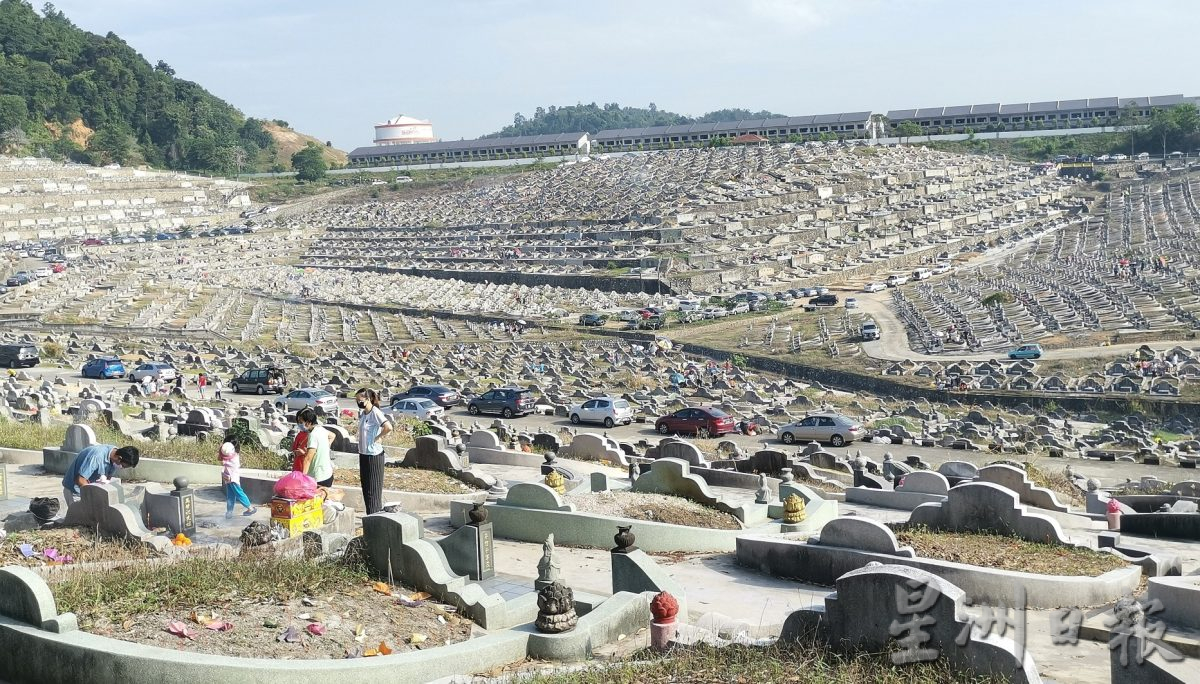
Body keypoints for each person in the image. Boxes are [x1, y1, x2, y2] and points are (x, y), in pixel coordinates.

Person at [62, 444, 140, 507]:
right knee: (81, 519)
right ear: (119, 458)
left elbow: (107, 478)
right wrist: (91, 497)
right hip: (75, 491)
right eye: (123, 466)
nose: (122, 468)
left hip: (90, 487)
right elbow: (80, 480)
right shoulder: (96, 457)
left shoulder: (114, 454)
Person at [355, 388, 393, 515]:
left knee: (373, 491)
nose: (358, 402)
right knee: (366, 489)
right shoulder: (363, 414)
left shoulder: (375, 412)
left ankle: (374, 519)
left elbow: (388, 427)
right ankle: (369, 516)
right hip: (363, 453)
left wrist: (379, 437)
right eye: (356, 400)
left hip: (374, 455)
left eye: (360, 399)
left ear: (368, 399)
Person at [295, 407, 334, 488]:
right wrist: (324, 448)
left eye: (301, 422)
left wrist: (303, 479)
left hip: (318, 478)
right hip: (328, 474)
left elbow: (308, 459)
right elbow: (332, 435)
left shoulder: (313, 435)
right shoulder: (321, 429)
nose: (299, 424)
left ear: (308, 423)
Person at [219, 440, 257, 519]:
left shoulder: (228, 459)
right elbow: (226, 455)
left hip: (230, 479)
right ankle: (246, 509)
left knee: (234, 495)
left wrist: (221, 449)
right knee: (235, 494)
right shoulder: (235, 456)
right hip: (231, 479)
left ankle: (233, 511)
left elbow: (221, 457)